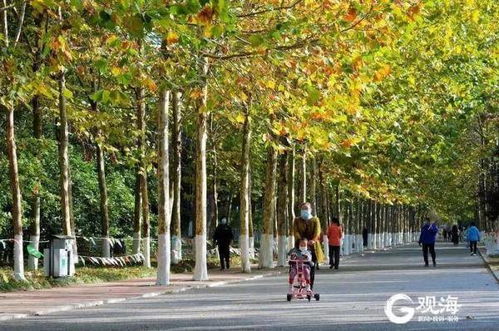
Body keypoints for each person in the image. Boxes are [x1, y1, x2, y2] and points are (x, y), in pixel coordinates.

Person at [293, 202, 325, 289]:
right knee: (296, 266)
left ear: (310, 210)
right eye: (303, 209)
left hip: (312, 247)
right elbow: (295, 232)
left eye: (306, 209)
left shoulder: (315, 220)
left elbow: (317, 232)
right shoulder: (297, 220)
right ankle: (298, 285)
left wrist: (313, 240)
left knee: (311, 266)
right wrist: (301, 240)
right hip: (300, 246)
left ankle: (310, 287)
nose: (304, 211)